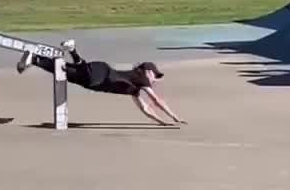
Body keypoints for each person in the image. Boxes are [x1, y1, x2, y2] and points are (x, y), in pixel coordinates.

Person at [16, 40, 185, 126]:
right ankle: (73, 49)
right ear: (148, 72)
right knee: (85, 75)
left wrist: (161, 122)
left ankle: (35, 59)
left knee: (64, 72)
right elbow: (155, 101)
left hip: (96, 82)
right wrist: (174, 115)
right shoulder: (142, 78)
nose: (155, 80)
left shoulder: (134, 89)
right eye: (155, 76)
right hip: (102, 72)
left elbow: (146, 108)